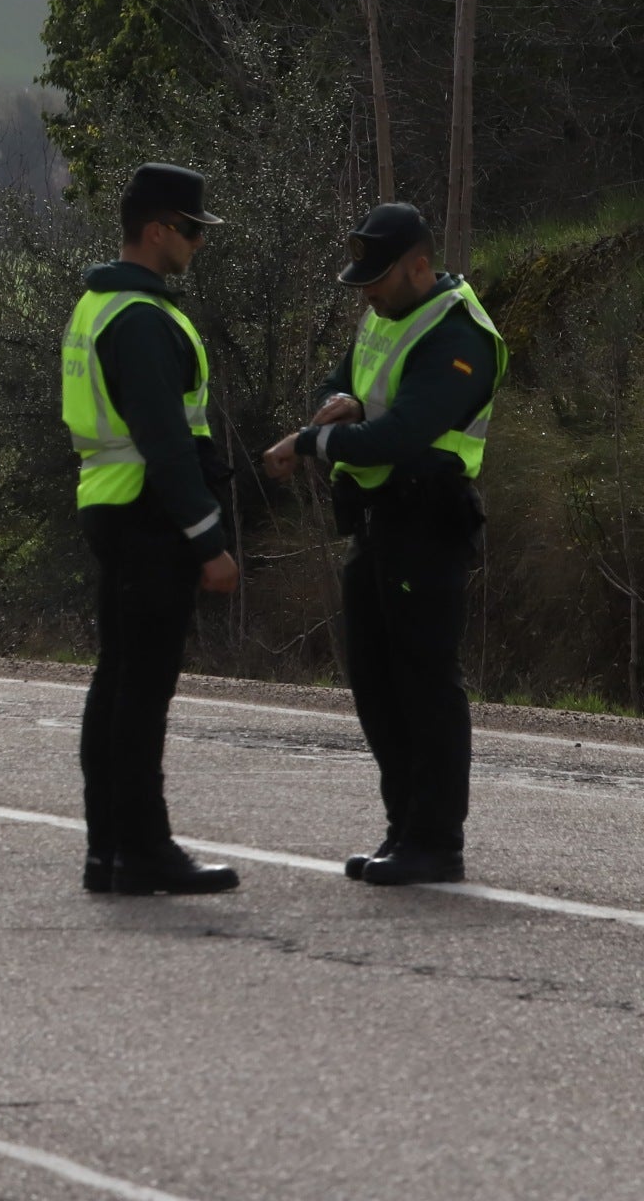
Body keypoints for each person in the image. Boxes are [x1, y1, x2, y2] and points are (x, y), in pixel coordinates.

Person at [263, 203, 503, 887]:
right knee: (374, 680)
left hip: (427, 522)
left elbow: (403, 435)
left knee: (424, 682)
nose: (365, 293)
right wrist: (343, 405)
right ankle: (403, 827)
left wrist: (312, 439)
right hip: (375, 521)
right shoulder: (387, 313)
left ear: (419, 266)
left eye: (377, 279)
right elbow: (339, 386)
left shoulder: (459, 336)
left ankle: (435, 841)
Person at [61, 164, 242, 896]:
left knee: (118, 684)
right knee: (141, 693)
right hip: (147, 513)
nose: (199, 243)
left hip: (112, 502)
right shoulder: (138, 318)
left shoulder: (101, 305)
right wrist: (209, 541)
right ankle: (143, 850)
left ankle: (110, 852)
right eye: (194, 229)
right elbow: (167, 440)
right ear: (159, 229)